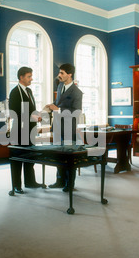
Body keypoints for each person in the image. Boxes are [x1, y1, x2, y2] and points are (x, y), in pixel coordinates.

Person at [46, 63, 83, 192]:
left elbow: (77, 111)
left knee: (68, 157)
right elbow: (57, 104)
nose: (59, 75)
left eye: (62, 73)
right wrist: (51, 107)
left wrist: (59, 109)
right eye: (59, 73)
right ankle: (59, 181)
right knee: (58, 155)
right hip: (57, 126)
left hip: (68, 128)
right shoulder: (60, 85)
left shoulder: (77, 92)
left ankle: (69, 184)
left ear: (70, 74)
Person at [8, 66, 43, 193]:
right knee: (17, 158)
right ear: (21, 77)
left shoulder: (29, 91)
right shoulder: (15, 92)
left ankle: (30, 182)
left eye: (31, 76)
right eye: (29, 76)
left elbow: (31, 109)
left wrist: (37, 116)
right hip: (18, 130)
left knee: (30, 156)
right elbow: (14, 113)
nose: (31, 79)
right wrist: (31, 116)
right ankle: (16, 185)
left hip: (30, 130)